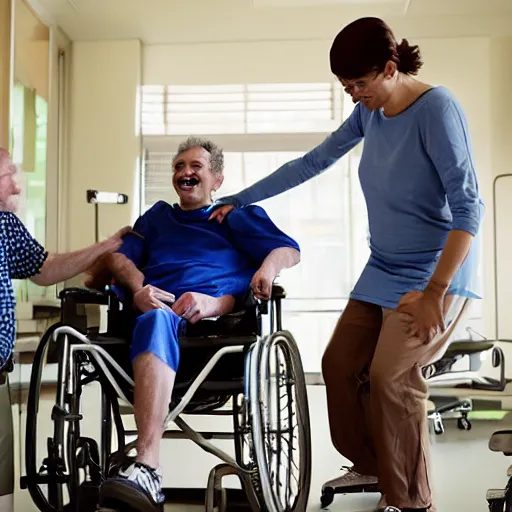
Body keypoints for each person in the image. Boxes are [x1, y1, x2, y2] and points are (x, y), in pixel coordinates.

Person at [210, 17, 483, 512]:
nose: (354, 95)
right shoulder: (369, 115)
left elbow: (470, 209)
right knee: (338, 364)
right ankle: (378, 465)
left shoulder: (437, 109)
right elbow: (311, 163)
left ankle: (412, 500)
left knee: (390, 377)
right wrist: (240, 199)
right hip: (384, 266)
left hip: (437, 271)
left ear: (390, 68)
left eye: (360, 84)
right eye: (345, 86)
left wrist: (435, 293)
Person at [87, 137, 300, 511]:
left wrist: (266, 269)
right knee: (154, 319)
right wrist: (138, 290)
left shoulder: (236, 216)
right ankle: (148, 466)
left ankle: (147, 466)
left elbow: (288, 250)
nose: (185, 173)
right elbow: (118, 261)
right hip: (155, 319)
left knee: (170, 316)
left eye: (195, 167)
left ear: (216, 179)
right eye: (178, 167)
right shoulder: (156, 218)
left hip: (220, 334)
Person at [0, 148, 130, 511]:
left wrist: (105, 247)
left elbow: (46, 269)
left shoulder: (6, 227)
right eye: (9, 174)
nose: (17, 184)